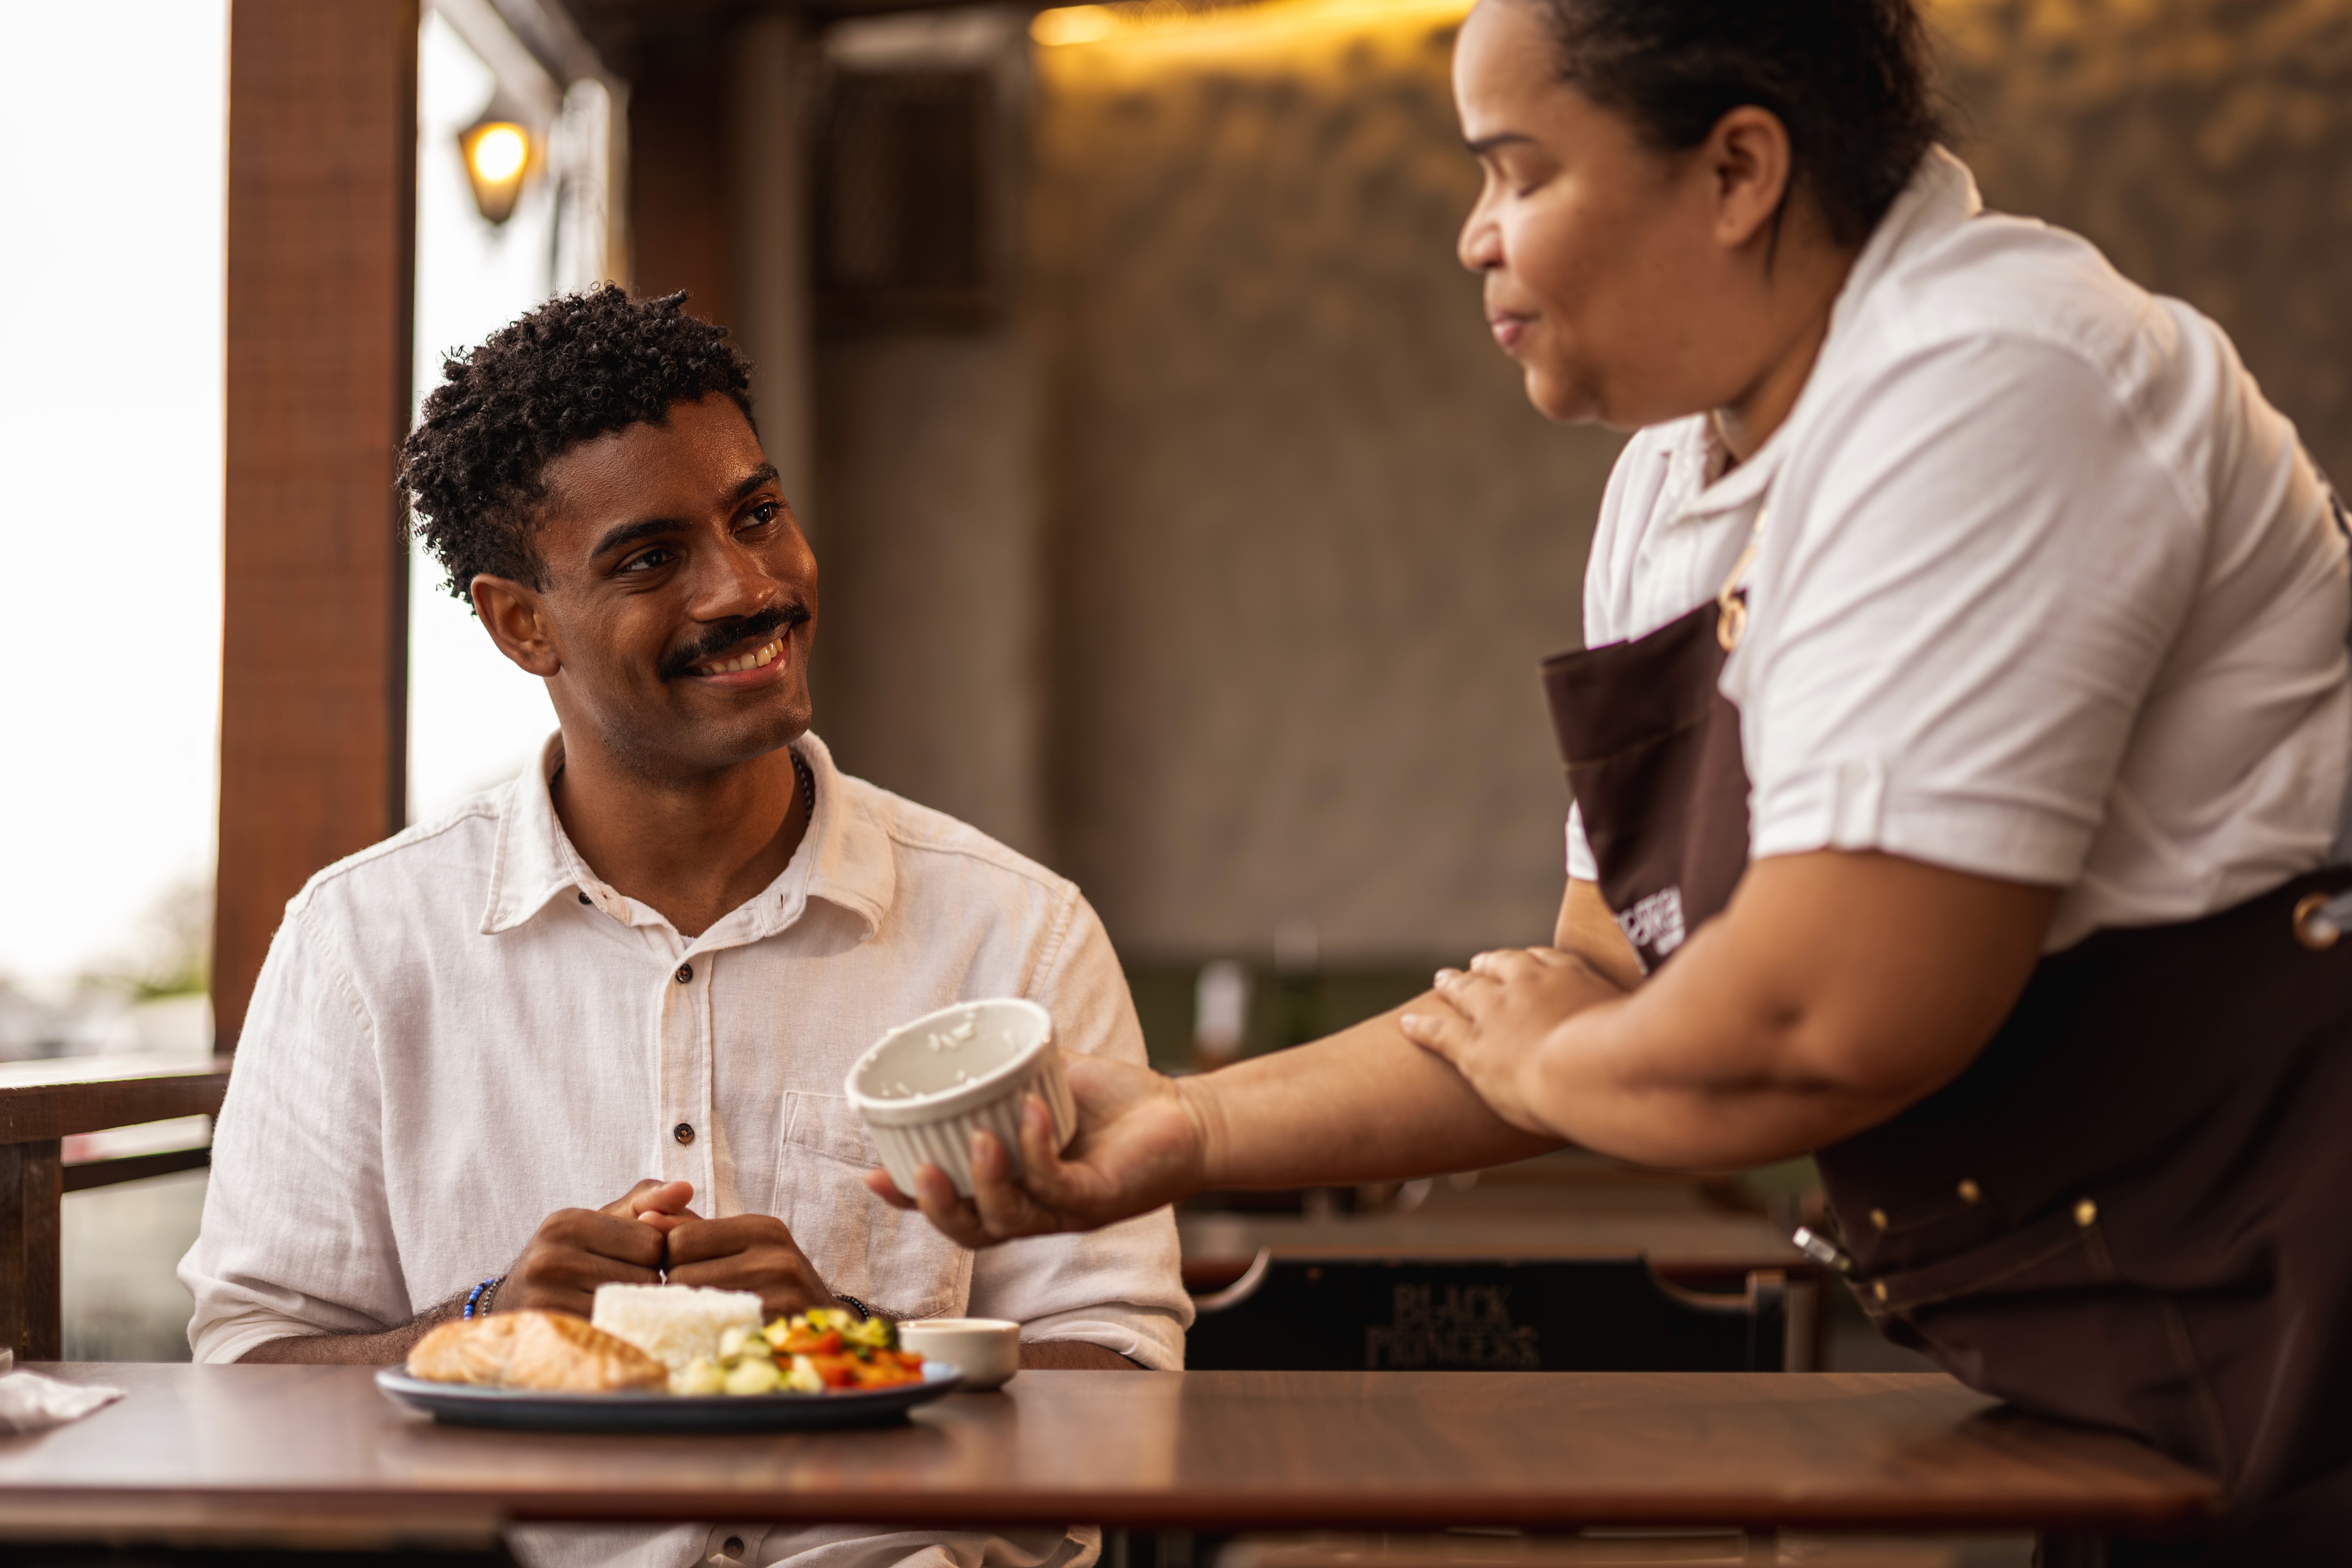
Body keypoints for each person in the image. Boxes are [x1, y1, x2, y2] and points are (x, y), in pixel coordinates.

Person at [870, 1, 2352, 1559]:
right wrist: (1181, 1123)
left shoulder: (1996, 380)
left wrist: (1553, 1062)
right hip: (2125, 1390)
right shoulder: (1672, 479)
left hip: (2305, 1347)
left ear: (1733, 171)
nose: (1471, 238)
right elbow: (1597, 976)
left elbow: (1806, 1023)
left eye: (1514, 173)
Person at [181, 286, 1190, 1568]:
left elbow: (1126, 1398)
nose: (750, 586)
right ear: (518, 622)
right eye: (650, 558)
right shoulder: (362, 946)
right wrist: (485, 1326)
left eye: (757, 514)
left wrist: (842, 1351)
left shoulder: (1018, 935)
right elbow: (248, 1382)